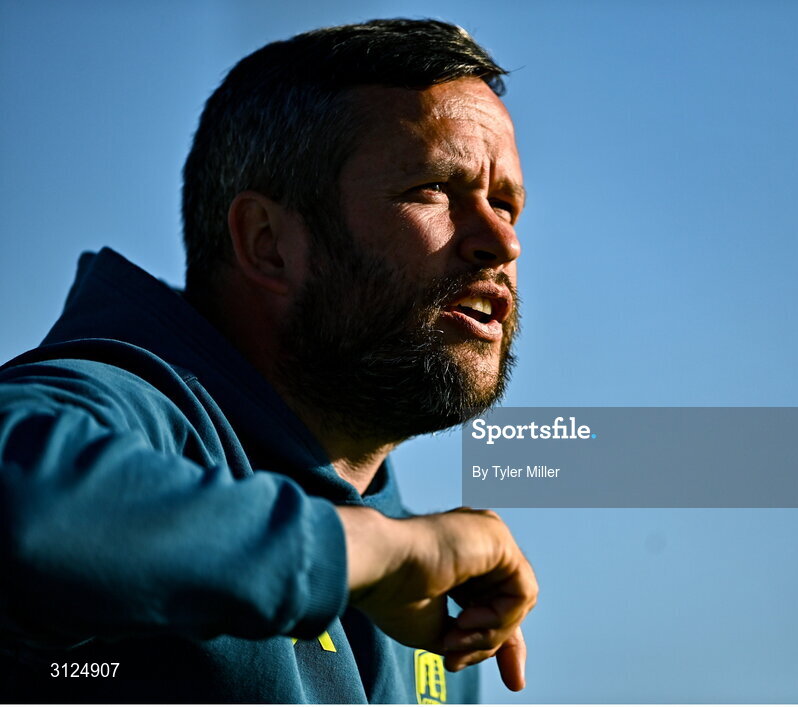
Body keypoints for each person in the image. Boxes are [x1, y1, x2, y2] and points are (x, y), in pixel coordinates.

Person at [0, 19, 536, 704]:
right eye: (433, 188)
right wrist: (367, 554)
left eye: (506, 203)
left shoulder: (433, 609)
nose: (500, 242)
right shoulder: (119, 412)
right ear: (267, 242)